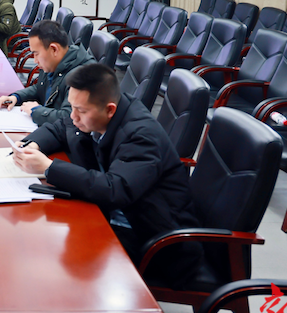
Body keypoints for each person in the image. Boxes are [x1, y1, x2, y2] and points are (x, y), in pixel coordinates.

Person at [11, 64, 202, 288]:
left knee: (54, 266)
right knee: (38, 239)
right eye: (72, 107)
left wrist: (49, 167)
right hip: (113, 215)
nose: (73, 116)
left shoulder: (141, 137)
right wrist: (32, 143)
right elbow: (62, 126)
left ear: (110, 110)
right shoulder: (102, 112)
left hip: (152, 238)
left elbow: (115, 190)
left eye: (81, 111)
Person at [0, 20, 94, 126]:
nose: (35, 60)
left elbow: (69, 118)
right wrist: (16, 97)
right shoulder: (53, 63)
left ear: (54, 49)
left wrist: (36, 111)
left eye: (36, 54)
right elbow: (40, 88)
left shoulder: (81, 77)